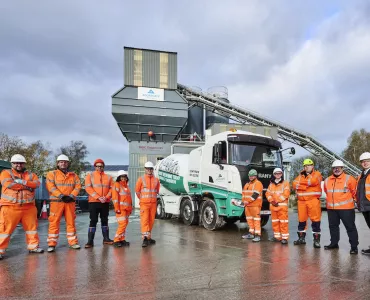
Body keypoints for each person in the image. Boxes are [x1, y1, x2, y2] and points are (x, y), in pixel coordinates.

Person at [0, 154, 44, 260]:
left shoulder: (31, 174)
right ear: (12, 164)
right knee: (5, 230)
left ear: (24, 164)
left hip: (29, 207)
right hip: (10, 206)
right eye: (16, 163)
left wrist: (22, 182)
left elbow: (37, 184)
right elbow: (9, 185)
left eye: (20, 163)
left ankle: (33, 247)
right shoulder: (5, 173)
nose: (18, 165)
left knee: (32, 229)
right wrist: (27, 186)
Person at [46, 154, 81, 252]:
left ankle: (73, 242)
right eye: (61, 162)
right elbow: (50, 186)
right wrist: (61, 196)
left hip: (70, 202)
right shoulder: (52, 174)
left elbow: (78, 186)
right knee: (54, 222)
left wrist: (71, 196)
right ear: (57, 163)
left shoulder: (74, 175)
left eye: (65, 162)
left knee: (71, 222)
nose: (63, 163)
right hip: (57, 202)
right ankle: (51, 244)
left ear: (68, 163)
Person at [323, 160, 358, 254]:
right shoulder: (327, 180)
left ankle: (354, 247)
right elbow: (327, 192)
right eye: (334, 168)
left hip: (346, 209)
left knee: (350, 227)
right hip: (332, 209)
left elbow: (355, 192)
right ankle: (334, 243)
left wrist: (355, 202)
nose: (336, 169)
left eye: (338, 167)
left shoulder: (349, 179)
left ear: (342, 168)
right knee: (333, 227)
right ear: (332, 169)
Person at [292, 158, 322, 248]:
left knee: (315, 221)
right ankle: (301, 239)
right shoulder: (300, 175)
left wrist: (301, 185)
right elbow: (294, 184)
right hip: (301, 201)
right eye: (305, 166)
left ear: (312, 166)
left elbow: (313, 182)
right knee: (301, 220)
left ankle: (316, 240)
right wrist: (306, 185)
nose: (307, 167)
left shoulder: (317, 174)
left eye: (308, 165)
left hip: (313, 200)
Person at [84, 158, 114, 248]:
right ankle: (90, 241)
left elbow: (112, 189)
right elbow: (88, 188)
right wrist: (98, 197)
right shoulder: (90, 176)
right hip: (94, 202)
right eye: (97, 166)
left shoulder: (109, 177)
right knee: (93, 221)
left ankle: (106, 239)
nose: (99, 168)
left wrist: (106, 197)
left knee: (105, 220)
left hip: (105, 202)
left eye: (101, 166)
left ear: (103, 167)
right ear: (95, 167)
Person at [135, 161, 160, 248]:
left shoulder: (156, 180)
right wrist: (142, 199)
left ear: (152, 170)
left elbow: (157, 191)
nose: (149, 170)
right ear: (145, 169)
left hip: (153, 203)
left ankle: (148, 237)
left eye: (151, 169)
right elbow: (137, 191)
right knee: (145, 221)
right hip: (144, 204)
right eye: (148, 169)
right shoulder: (141, 179)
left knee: (151, 221)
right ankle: (145, 239)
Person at [266, 168, 290, 245]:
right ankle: (277, 237)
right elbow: (267, 194)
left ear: (281, 174)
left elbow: (286, 194)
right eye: (276, 173)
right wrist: (271, 201)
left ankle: (284, 238)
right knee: (275, 223)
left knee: (283, 222)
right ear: (274, 175)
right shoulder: (271, 184)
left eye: (279, 173)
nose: (278, 175)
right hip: (273, 207)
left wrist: (277, 201)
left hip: (282, 206)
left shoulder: (285, 183)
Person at [241, 169, 263, 242]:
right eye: (250, 176)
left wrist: (247, 201)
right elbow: (243, 194)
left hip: (255, 206)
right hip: (248, 206)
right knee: (249, 220)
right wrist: (243, 202)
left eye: (252, 176)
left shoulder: (258, 183)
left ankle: (257, 235)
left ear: (255, 176)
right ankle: (251, 233)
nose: (251, 177)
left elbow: (255, 195)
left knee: (256, 220)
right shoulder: (247, 184)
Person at [112, 170, 132, 247]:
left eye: (125, 177)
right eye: (122, 177)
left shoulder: (126, 187)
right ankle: (116, 240)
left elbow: (129, 199)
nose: (123, 178)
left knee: (125, 224)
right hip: (121, 209)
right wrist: (117, 208)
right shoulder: (116, 185)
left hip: (126, 209)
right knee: (122, 224)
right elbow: (115, 198)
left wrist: (130, 209)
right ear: (119, 178)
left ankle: (122, 239)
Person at [356, 152, 370, 255]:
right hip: (365, 206)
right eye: (363, 161)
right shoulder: (361, 175)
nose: (365, 163)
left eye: (367, 161)